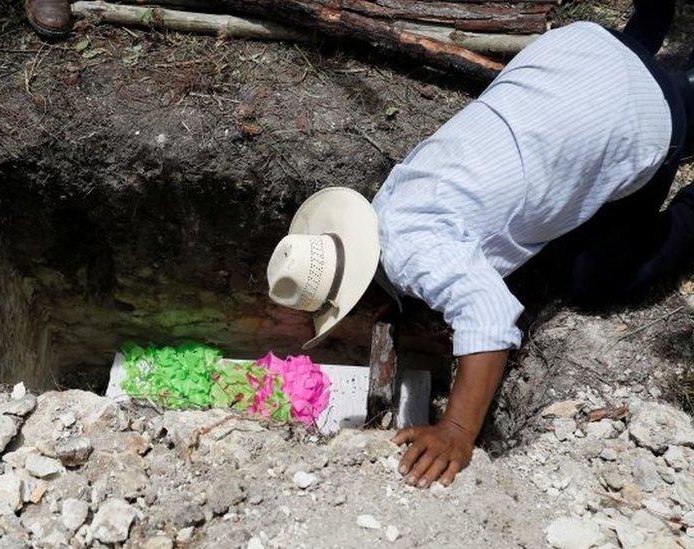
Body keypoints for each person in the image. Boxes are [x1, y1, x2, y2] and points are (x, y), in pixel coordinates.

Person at [266, 0, 694, 488]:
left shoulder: (410, 256)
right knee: (623, 73)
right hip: (579, 50)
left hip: (634, 115)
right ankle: (647, 35)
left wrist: (456, 429)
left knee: (588, 281)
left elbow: (490, 316)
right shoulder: (389, 201)